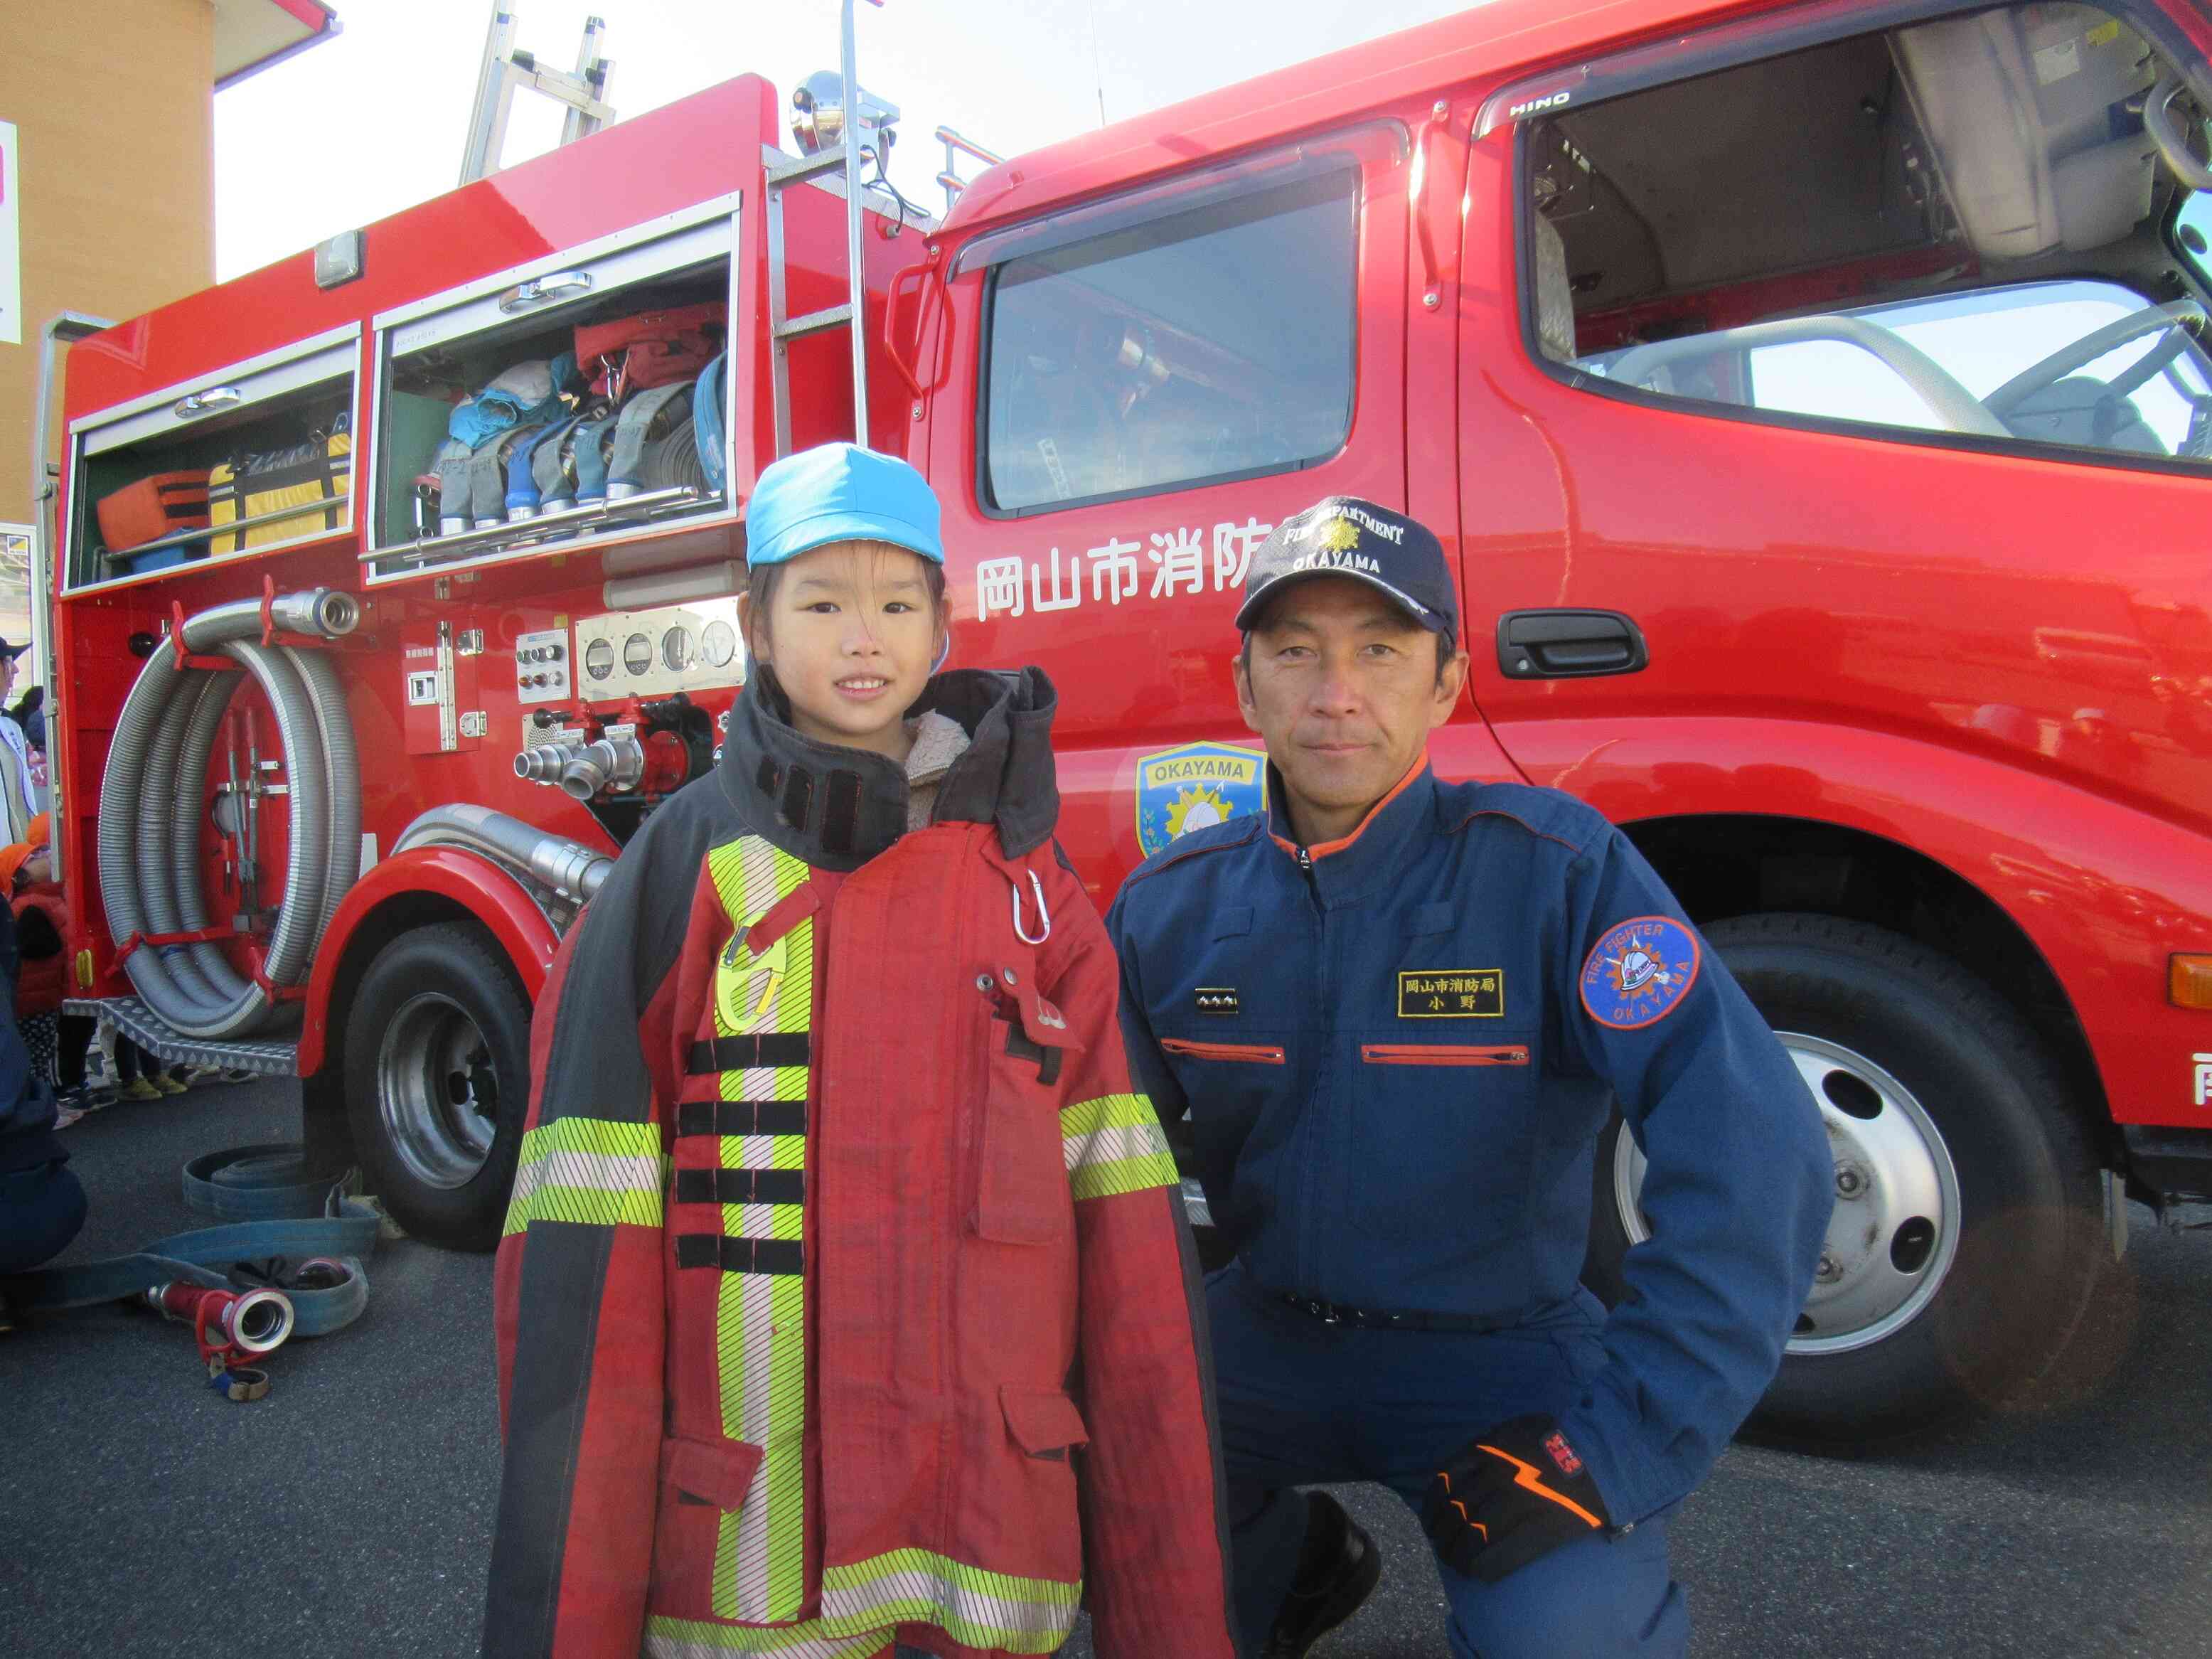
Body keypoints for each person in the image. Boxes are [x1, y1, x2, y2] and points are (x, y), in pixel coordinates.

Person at [485, 444, 1235, 1659]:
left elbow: (1138, 1274)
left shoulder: (1030, 894)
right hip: (749, 1580)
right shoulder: (677, 881)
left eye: (896, 603)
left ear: (944, 624)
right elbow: (580, 1304)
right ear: (757, 626)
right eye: (821, 602)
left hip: (989, 1543)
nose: (863, 636)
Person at [1106, 496, 1834, 1659]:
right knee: (1092, 1537)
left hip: (1505, 1355)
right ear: (1245, 690)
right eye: (1296, 652)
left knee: (1573, 1643)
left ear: (1445, 683)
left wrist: (1610, 1444)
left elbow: (1759, 1154)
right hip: (1262, 1342)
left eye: (1381, 652)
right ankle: (1287, 1564)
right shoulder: (1166, 909)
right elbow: (1081, 1176)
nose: (1336, 693)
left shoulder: (1558, 871)